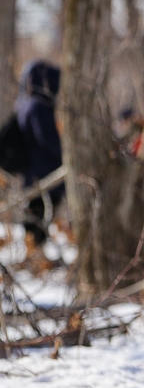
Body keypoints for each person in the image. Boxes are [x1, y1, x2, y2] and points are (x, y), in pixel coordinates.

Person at [16, 61, 63, 258]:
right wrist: (64, 155)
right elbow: (47, 139)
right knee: (39, 214)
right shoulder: (38, 105)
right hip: (43, 173)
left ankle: (35, 254)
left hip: (32, 172)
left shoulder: (24, 102)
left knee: (36, 214)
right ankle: (36, 255)